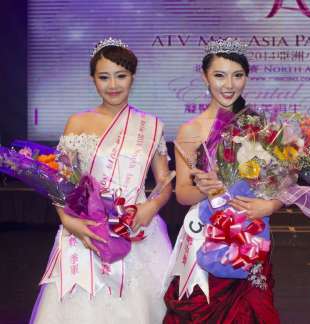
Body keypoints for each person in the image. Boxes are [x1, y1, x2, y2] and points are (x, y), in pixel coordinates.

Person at [30, 37, 173, 323]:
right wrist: (68, 221)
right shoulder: (78, 122)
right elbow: (59, 180)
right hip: (86, 229)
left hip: (137, 229)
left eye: (121, 76)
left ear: (132, 76)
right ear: (92, 79)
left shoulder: (151, 125)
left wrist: (150, 208)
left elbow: (164, 182)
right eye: (104, 77)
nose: (113, 85)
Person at [163, 38, 282, 323]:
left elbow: (281, 186)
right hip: (207, 236)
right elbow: (182, 194)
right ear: (205, 76)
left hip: (251, 237)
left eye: (237, 75)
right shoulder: (190, 131)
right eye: (219, 75)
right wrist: (207, 190)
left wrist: (271, 207)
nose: (229, 84)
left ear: (246, 78)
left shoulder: (260, 125)